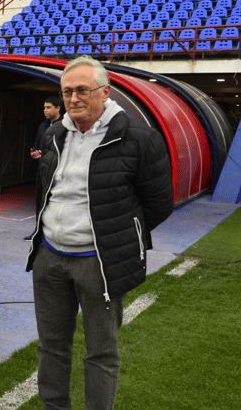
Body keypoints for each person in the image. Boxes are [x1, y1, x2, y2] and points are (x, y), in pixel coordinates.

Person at [25, 55, 173, 410]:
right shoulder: (54, 133)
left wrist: (116, 237)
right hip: (49, 258)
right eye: (67, 92)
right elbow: (45, 190)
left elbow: (159, 204)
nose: (73, 98)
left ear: (105, 92)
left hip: (99, 264)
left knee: (101, 353)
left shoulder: (138, 137)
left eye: (82, 90)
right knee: (51, 346)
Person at [30, 95, 63, 161]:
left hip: (58, 164)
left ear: (58, 108)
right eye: (44, 108)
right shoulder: (43, 125)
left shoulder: (65, 125)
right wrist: (35, 152)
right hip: (43, 165)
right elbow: (37, 145)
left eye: (48, 107)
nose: (45, 110)